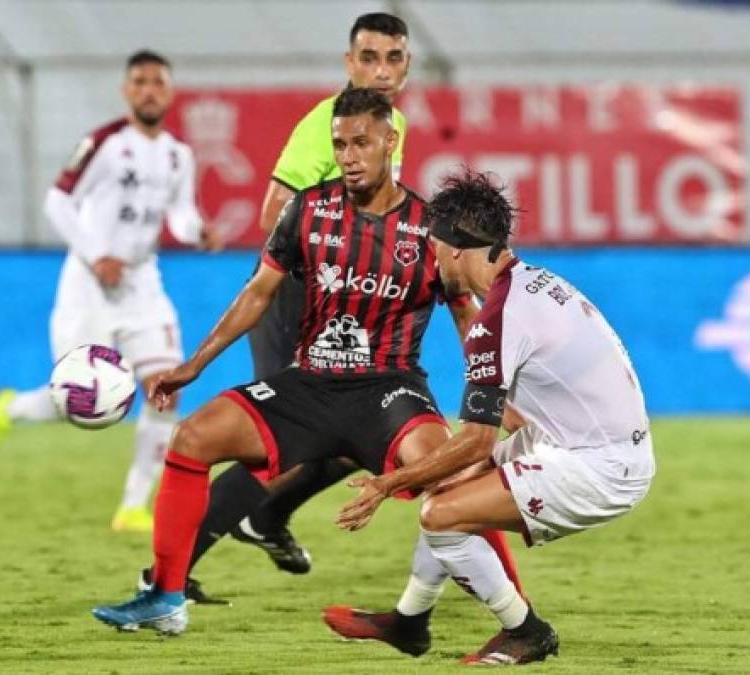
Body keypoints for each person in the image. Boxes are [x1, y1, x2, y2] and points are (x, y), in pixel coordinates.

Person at [92, 87, 499, 637]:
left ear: (390, 142)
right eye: (340, 144)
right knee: (192, 437)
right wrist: (196, 363)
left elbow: (464, 313)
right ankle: (165, 595)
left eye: (361, 142)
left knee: (456, 477)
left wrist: (497, 386)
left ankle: (519, 619)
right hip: (309, 386)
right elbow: (258, 293)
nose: (350, 155)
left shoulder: (428, 227)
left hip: (388, 390)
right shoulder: (307, 209)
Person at [326, 170, 656, 665]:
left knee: (439, 515)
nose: (433, 265)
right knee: (451, 479)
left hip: (600, 466)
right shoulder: (532, 281)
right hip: (590, 440)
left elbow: (478, 439)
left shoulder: (497, 318)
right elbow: (521, 406)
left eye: (436, 252)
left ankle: (526, 630)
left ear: (458, 250)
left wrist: (388, 483)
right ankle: (409, 621)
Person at [184, 12, 413, 589]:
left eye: (393, 58)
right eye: (369, 57)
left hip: (338, 313)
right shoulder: (325, 125)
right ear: (348, 63)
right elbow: (271, 219)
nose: (381, 70)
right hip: (296, 302)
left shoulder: (393, 124)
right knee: (285, 443)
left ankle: (264, 517)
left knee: (351, 441)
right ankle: (168, 572)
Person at [0, 50, 220, 535]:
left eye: (157, 82)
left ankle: (132, 507)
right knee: (80, 404)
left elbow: (180, 215)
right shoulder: (104, 144)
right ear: (126, 91)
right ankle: (12, 408)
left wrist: (198, 233)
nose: (149, 89)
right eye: (140, 81)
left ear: (169, 92)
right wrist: (95, 253)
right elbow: (57, 200)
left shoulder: (178, 155)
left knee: (165, 392)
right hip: (88, 284)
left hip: (143, 285)